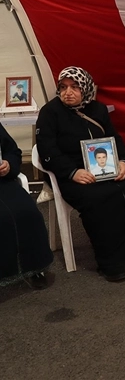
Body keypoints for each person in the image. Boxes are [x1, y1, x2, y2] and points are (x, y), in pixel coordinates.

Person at [36, 67, 125, 281]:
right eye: (63, 87)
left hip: (104, 165)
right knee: (100, 198)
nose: (68, 92)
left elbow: (114, 137)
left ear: (85, 88)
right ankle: (112, 263)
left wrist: (122, 161)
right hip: (72, 172)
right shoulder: (50, 113)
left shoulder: (98, 109)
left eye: (74, 87)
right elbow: (47, 150)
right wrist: (72, 172)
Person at [0, 123, 53, 289]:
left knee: (28, 213)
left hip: (2, 183)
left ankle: (34, 268)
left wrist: (8, 164)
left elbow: (13, 151)